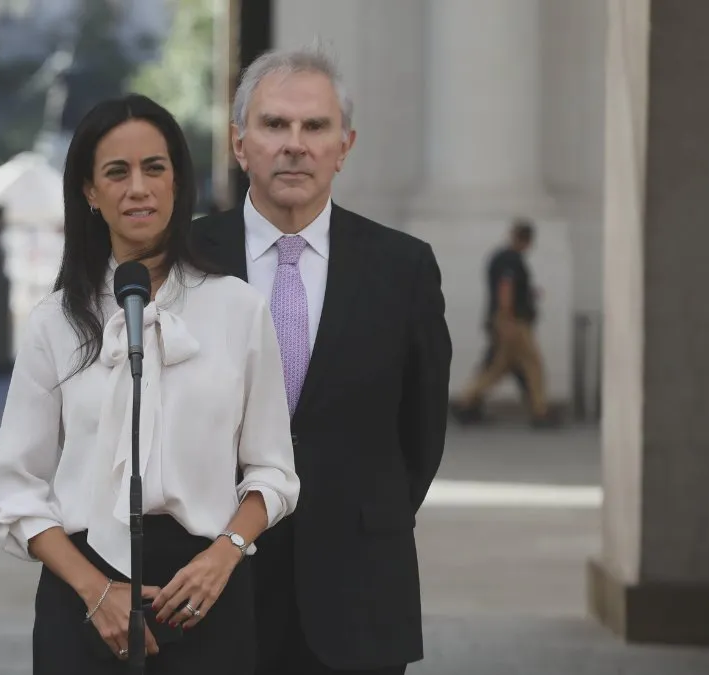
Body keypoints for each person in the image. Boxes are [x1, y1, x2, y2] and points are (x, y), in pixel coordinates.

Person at [0, 93, 300, 674]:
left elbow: (273, 472)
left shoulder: (239, 308)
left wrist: (224, 555)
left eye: (155, 168)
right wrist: (93, 589)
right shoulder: (55, 319)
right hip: (82, 592)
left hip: (204, 589)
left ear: (178, 181)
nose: (138, 188)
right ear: (89, 191)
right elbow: (13, 489)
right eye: (116, 172)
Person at [191, 47, 452, 675]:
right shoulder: (185, 261)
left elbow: (421, 433)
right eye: (274, 124)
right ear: (239, 142)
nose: (294, 144)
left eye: (315, 127)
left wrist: (356, 512)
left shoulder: (403, 269)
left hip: (358, 590)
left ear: (345, 144)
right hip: (210, 587)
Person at [452, 218, 556, 427]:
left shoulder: (503, 257)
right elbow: (506, 288)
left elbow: (509, 288)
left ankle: (466, 402)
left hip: (506, 321)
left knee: (497, 367)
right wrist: (506, 318)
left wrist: (527, 294)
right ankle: (540, 412)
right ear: (526, 239)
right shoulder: (510, 259)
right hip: (512, 323)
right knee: (533, 365)